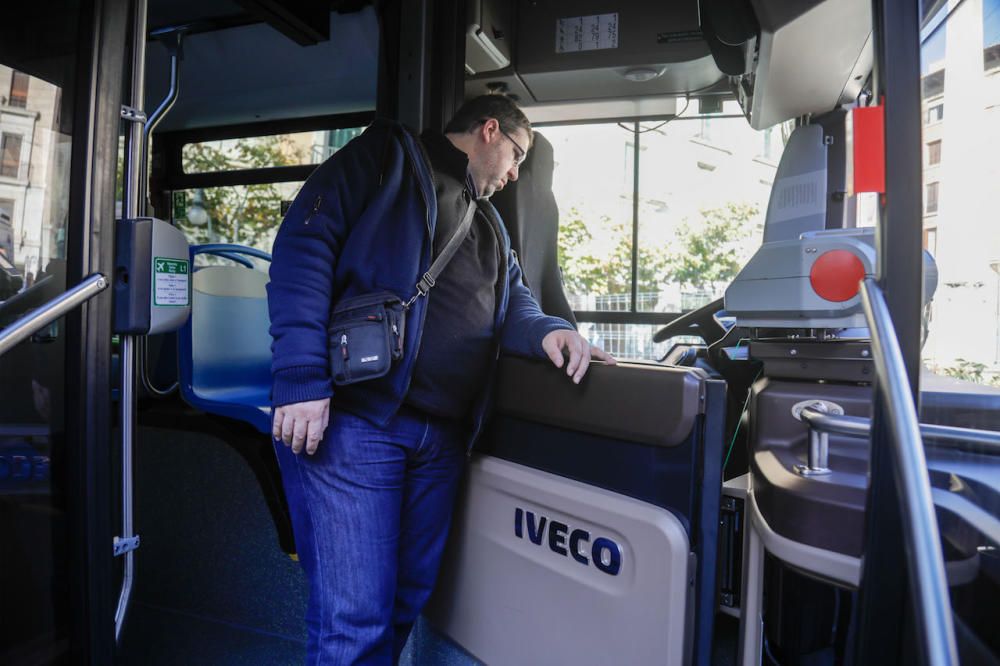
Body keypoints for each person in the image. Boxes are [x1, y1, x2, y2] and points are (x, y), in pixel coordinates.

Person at [267, 94, 615, 664]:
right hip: (361, 424)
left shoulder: (491, 226)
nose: (515, 173)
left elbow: (514, 306)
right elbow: (303, 248)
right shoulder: (387, 159)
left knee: (405, 600)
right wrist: (302, 378)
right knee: (354, 619)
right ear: (489, 131)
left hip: (442, 440)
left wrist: (550, 331)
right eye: (517, 155)